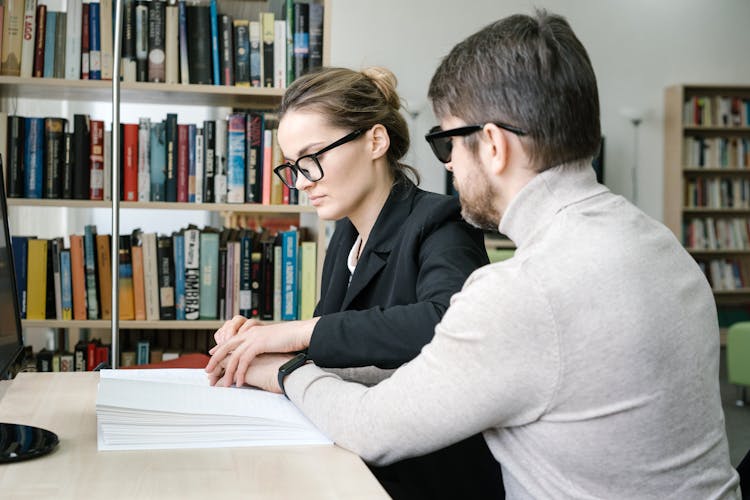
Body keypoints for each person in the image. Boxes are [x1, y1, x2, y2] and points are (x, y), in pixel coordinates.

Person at [208, 10, 743, 498]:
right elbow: (449, 377)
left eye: (447, 144)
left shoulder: (525, 290)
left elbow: (374, 428)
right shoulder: (662, 246)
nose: (449, 168)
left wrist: (285, 370)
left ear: (492, 144)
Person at [206, 67, 503, 498]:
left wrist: (299, 333)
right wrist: (270, 340)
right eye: (293, 166)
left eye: (313, 158)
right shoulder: (345, 233)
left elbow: (445, 322)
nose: (303, 182)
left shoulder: (441, 221)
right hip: (352, 460)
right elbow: (344, 350)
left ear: (375, 141)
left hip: (429, 477)